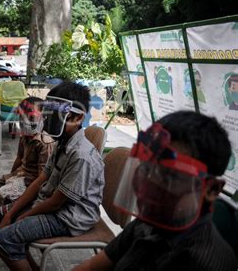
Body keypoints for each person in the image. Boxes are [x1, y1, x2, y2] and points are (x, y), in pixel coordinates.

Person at [73, 111, 236, 271]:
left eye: (170, 177)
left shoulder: (203, 263)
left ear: (211, 189)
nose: (151, 185)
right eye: (147, 169)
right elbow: (91, 266)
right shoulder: (151, 222)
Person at [0, 82, 105, 270]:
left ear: (78, 118)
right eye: (49, 115)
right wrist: (13, 211)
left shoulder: (81, 156)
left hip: (68, 217)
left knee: (3, 239)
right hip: (50, 204)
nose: (49, 122)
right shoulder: (63, 143)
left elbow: (57, 202)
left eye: (58, 117)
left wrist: (24, 216)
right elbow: (41, 180)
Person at [0, 97, 54, 225]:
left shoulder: (44, 143)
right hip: (20, 174)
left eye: (31, 117)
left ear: (43, 117)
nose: (25, 122)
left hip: (31, 180)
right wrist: (10, 177)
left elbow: (42, 177)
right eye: (21, 117)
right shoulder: (25, 137)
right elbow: (19, 158)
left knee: (1, 196)